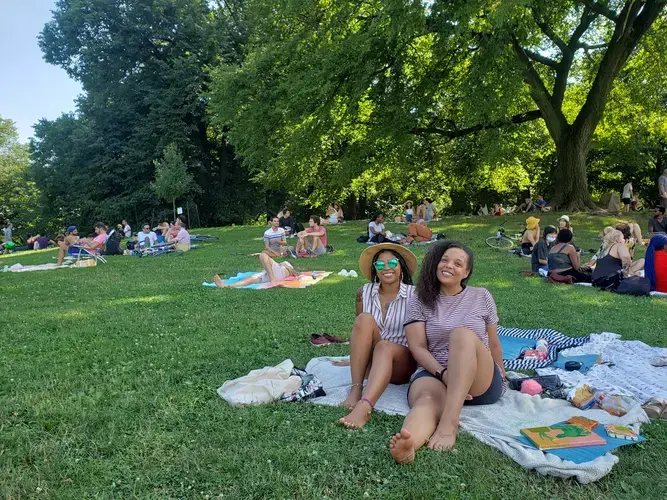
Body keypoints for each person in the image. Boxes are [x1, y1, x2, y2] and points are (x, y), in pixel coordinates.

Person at [389, 241, 505, 463]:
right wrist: (443, 374)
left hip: (479, 379)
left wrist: (502, 371)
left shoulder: (481, 296)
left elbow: (493, 341)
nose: (449, 266)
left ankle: (450, 422)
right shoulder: (420, 299)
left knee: (461, 334)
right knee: (426, 400)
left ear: (466, 272)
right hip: (437, 373)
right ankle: (409, 443)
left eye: (458, 263)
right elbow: (417, 347)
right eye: (444, 260)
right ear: (436, 264)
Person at [339, 244, 418, 429]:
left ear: (401, 267)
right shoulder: (363, 292)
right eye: (380, 264)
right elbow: (361, 331)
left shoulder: (415, 296)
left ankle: (365, 406)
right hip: (373, 362)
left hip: (402, 364)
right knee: (364, 319)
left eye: (392, 262)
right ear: (374, 269)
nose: (386, 268)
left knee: (385, 346)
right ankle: (356, 388)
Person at [213, 252, 297, 288]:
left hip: (278, 274)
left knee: (263, 255)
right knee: (249, 279)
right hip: (269, 274)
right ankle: (227, 286)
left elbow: (294, 272)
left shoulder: (286, 265)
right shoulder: (280, 265)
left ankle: (273, 280)